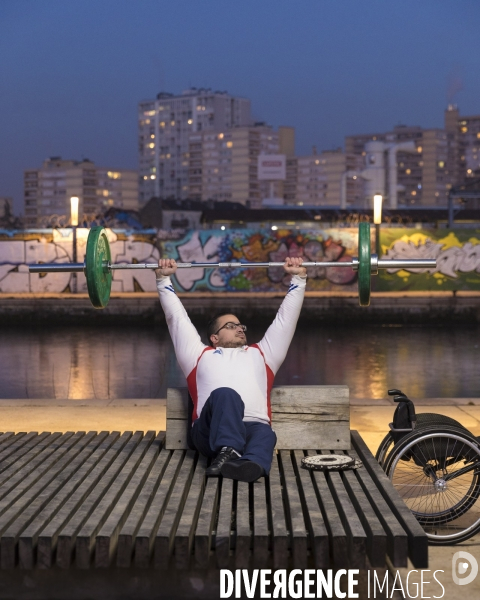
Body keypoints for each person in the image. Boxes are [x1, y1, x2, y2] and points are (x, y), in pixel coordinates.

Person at [155, 257, 307, 482]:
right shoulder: (198, 355)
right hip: (210, 433)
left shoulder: (263, 354)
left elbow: (286, 321)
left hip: (252, 429)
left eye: (240, 326)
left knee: (265, 433)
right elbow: (176, 319)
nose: (239, 329)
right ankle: (229, 450)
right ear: (214, 338)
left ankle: (249, 466)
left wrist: (299, 278)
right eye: (231, 326)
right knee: (225, 394)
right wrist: (163, 280)